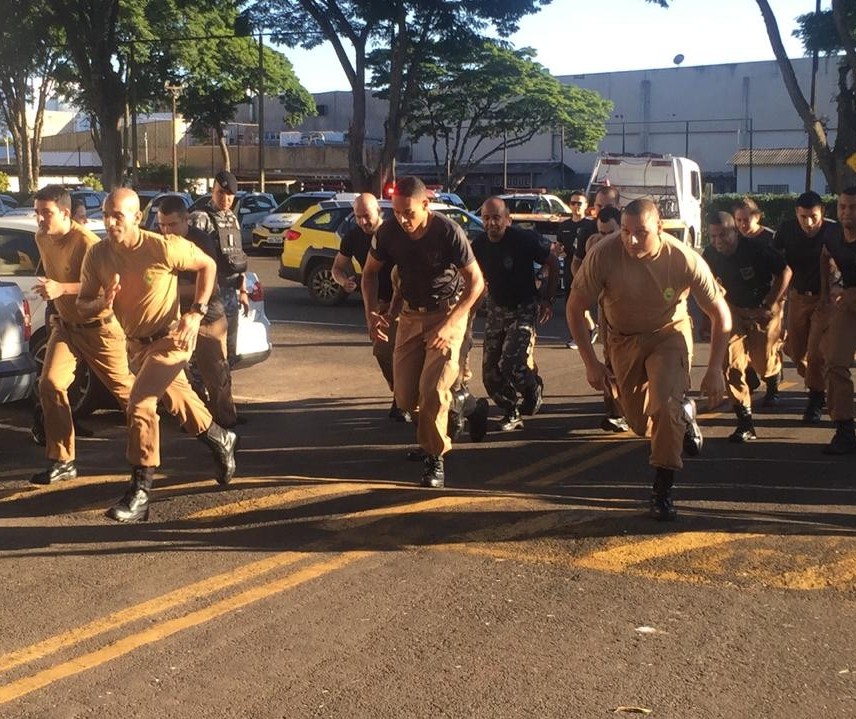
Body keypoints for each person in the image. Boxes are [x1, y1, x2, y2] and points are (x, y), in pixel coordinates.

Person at [77, 188, 238, 523]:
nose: (109, 222)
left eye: (117, 216)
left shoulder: (163, 246)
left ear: (136, 218)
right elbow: (82, 303)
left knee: (140, 403)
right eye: (106, 214)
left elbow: (207, 265)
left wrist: (195, 312)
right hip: (135, 344)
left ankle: (141, 492)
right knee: (180, 401)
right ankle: (221, 438)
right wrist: (101, 303)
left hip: (173, 339)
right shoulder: (98, 255)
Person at [567, 199, 731, 521]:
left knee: (664, 407)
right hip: (622, 339)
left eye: (640, 232)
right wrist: (590, 362)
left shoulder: (684, 259)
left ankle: (662, 487)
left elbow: (720, 315)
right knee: (640, 423)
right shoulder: (604, 253)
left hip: (668, 335)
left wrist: (714, 369)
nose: (630, 240)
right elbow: (575, 307)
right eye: (626, 232)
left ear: (659, 227)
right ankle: (685, 413)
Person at [361, 176, 485, 489]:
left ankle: (435, 458)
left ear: (426, 205)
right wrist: (371, 315)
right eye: (396, 212)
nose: (402, 220)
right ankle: (469, 405)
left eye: (409, 213)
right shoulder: (388, 231)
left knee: (432, 391)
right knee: (405, 398)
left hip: (447, 314)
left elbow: (477, 283)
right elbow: (369, 275)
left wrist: (452, 321)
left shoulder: (447, 231)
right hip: (410, 316)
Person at [28, 185, 134, 485]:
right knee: (50, 383)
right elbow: (52, 278)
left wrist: (63, 288)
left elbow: (107, 288)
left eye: (46, 213)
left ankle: (152, 455)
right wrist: (54, 308)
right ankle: (62, 460)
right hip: (66, 327)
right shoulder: (41, 237)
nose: (40, 219)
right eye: (37, 213)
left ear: (65, 213)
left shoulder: (88, 242)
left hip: (100, 328)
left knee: (129, 396)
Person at [474, 196, 559, 430]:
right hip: (496, 309)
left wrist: (547, 299)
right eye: (487, 218)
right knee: (490, 373)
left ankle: (533, 388)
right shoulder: (479, 244)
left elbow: (553, 261)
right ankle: (511, 411)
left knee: (510, 363)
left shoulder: (524, 240)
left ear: (507, 220)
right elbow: (471, 274)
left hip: (524, 308)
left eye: (496, 218)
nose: (492, 223)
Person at [703, 211, 788, 442]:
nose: (718, 241)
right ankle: (745, 422)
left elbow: (785, 272)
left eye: (723, 235)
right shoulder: (710, 254)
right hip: (733, 312)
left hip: (762, 309)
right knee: (730, 363)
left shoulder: (756, 248)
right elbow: (705, 284)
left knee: (763, 362)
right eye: (713, 236)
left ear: (735, 232)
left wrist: (770, 303)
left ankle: (772, 376)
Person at [157, 194, 238, 429]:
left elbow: (209, 283)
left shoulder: (199, 241)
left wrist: (172, 289)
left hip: (207, 315)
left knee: (216, 372)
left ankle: (225, 419)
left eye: (172, 224)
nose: (166, 230)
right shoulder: (158, 240)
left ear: (186, 220)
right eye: (161, 224)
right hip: (174, 318)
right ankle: (196, 419)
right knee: (179, 375)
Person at [331, 193, 408, 422]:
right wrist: (343, 281)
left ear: (379, 212)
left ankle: (403, 400)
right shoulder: (353, 237)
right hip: (376, 303)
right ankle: (401, 394)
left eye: (367, 216)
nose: (363, 222)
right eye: (358, 217)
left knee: (395, 352)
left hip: (403, 301)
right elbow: (337, 267)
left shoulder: (394, 233)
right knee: (383, 352)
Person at [773, 191, 836, 423]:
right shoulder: (787, 230)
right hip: (798, 297)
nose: (808, 223)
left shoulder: (833, 231)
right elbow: (775, 261)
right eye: (803, 217)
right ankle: (817, 381)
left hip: (825, 299)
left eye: (813, 217)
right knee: (796, 351)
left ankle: (816, 399)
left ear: (823, 214)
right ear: (796, 215)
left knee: (816, 351)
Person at [188, 170, 249, 365]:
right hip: (210, 294)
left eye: (230, 194)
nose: (225, 198)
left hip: (230, 292)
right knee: (207, 351)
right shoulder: (200, 218)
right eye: (221, 193)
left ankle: (224, 389)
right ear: (212, 191)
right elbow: (189, 258)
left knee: (228, 353)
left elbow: (238, 255)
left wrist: (243, 290)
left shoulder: (232, 218)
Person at [820, 187, 856, 454]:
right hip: (847, 304)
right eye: (843, 207)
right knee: (834, 361)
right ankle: (844, 429)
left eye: (853, 207)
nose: (847, 212)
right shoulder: (832, 233)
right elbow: (824, 256)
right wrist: (829, 286)